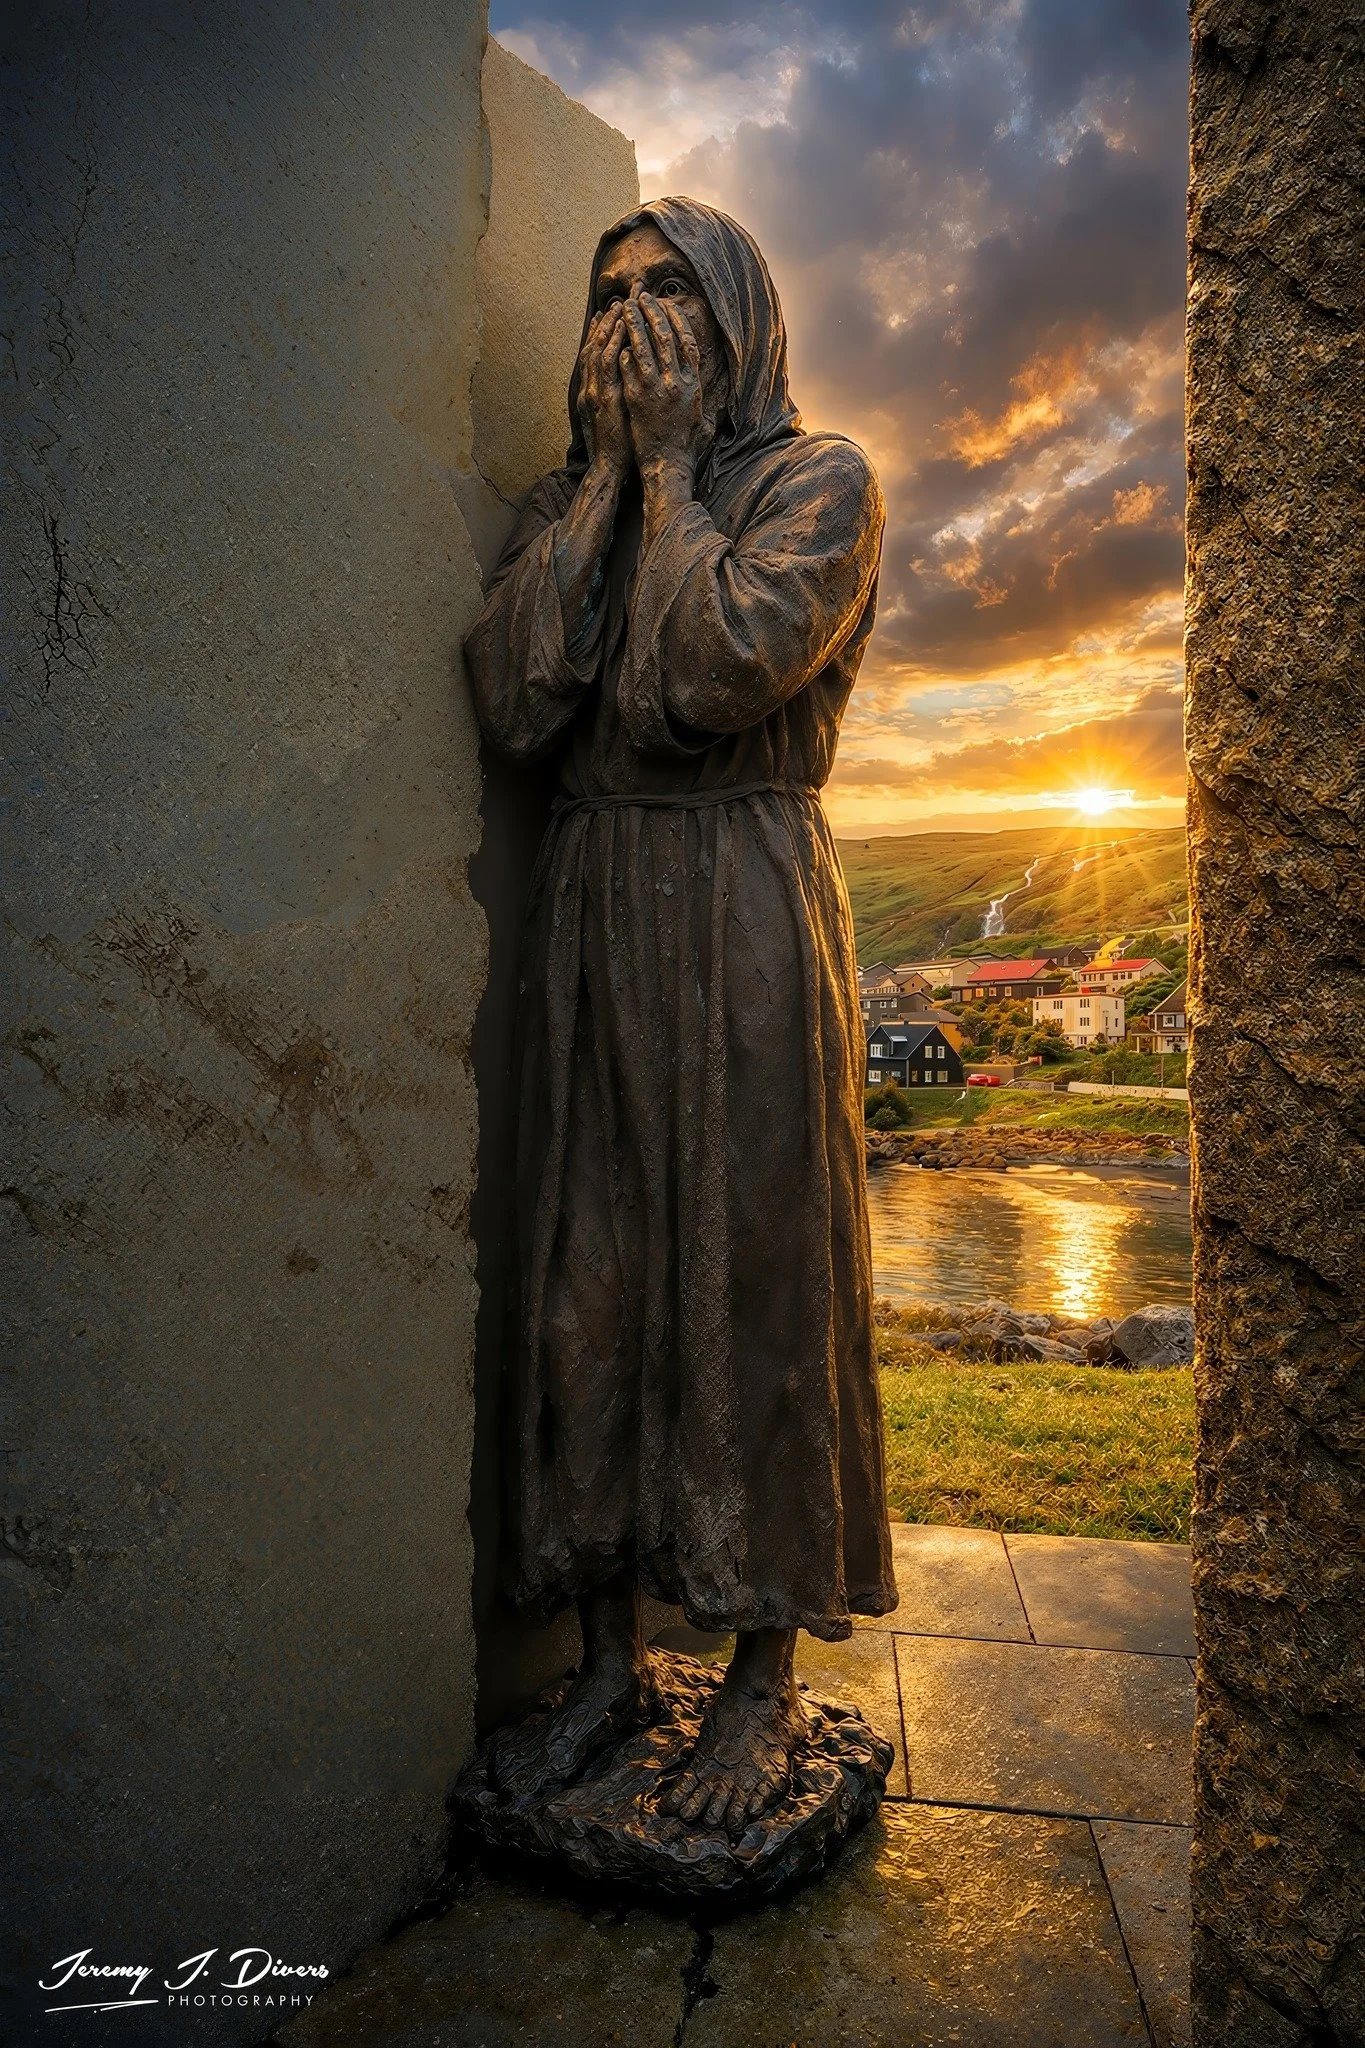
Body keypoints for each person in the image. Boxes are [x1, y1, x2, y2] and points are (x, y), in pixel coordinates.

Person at [465, 198, 896, 1842]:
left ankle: (763, 1676)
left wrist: (662, 480)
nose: (629, 323)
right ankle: (598, 1661)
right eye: (606, 296)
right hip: (596, 920)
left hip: (741, 913)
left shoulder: (817, 482)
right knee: (588, 1289)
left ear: (738, 326)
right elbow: (517, 696)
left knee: (752, 1282)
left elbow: (716, 671)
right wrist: (598, 488)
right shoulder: (559, 506)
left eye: (667, 294)